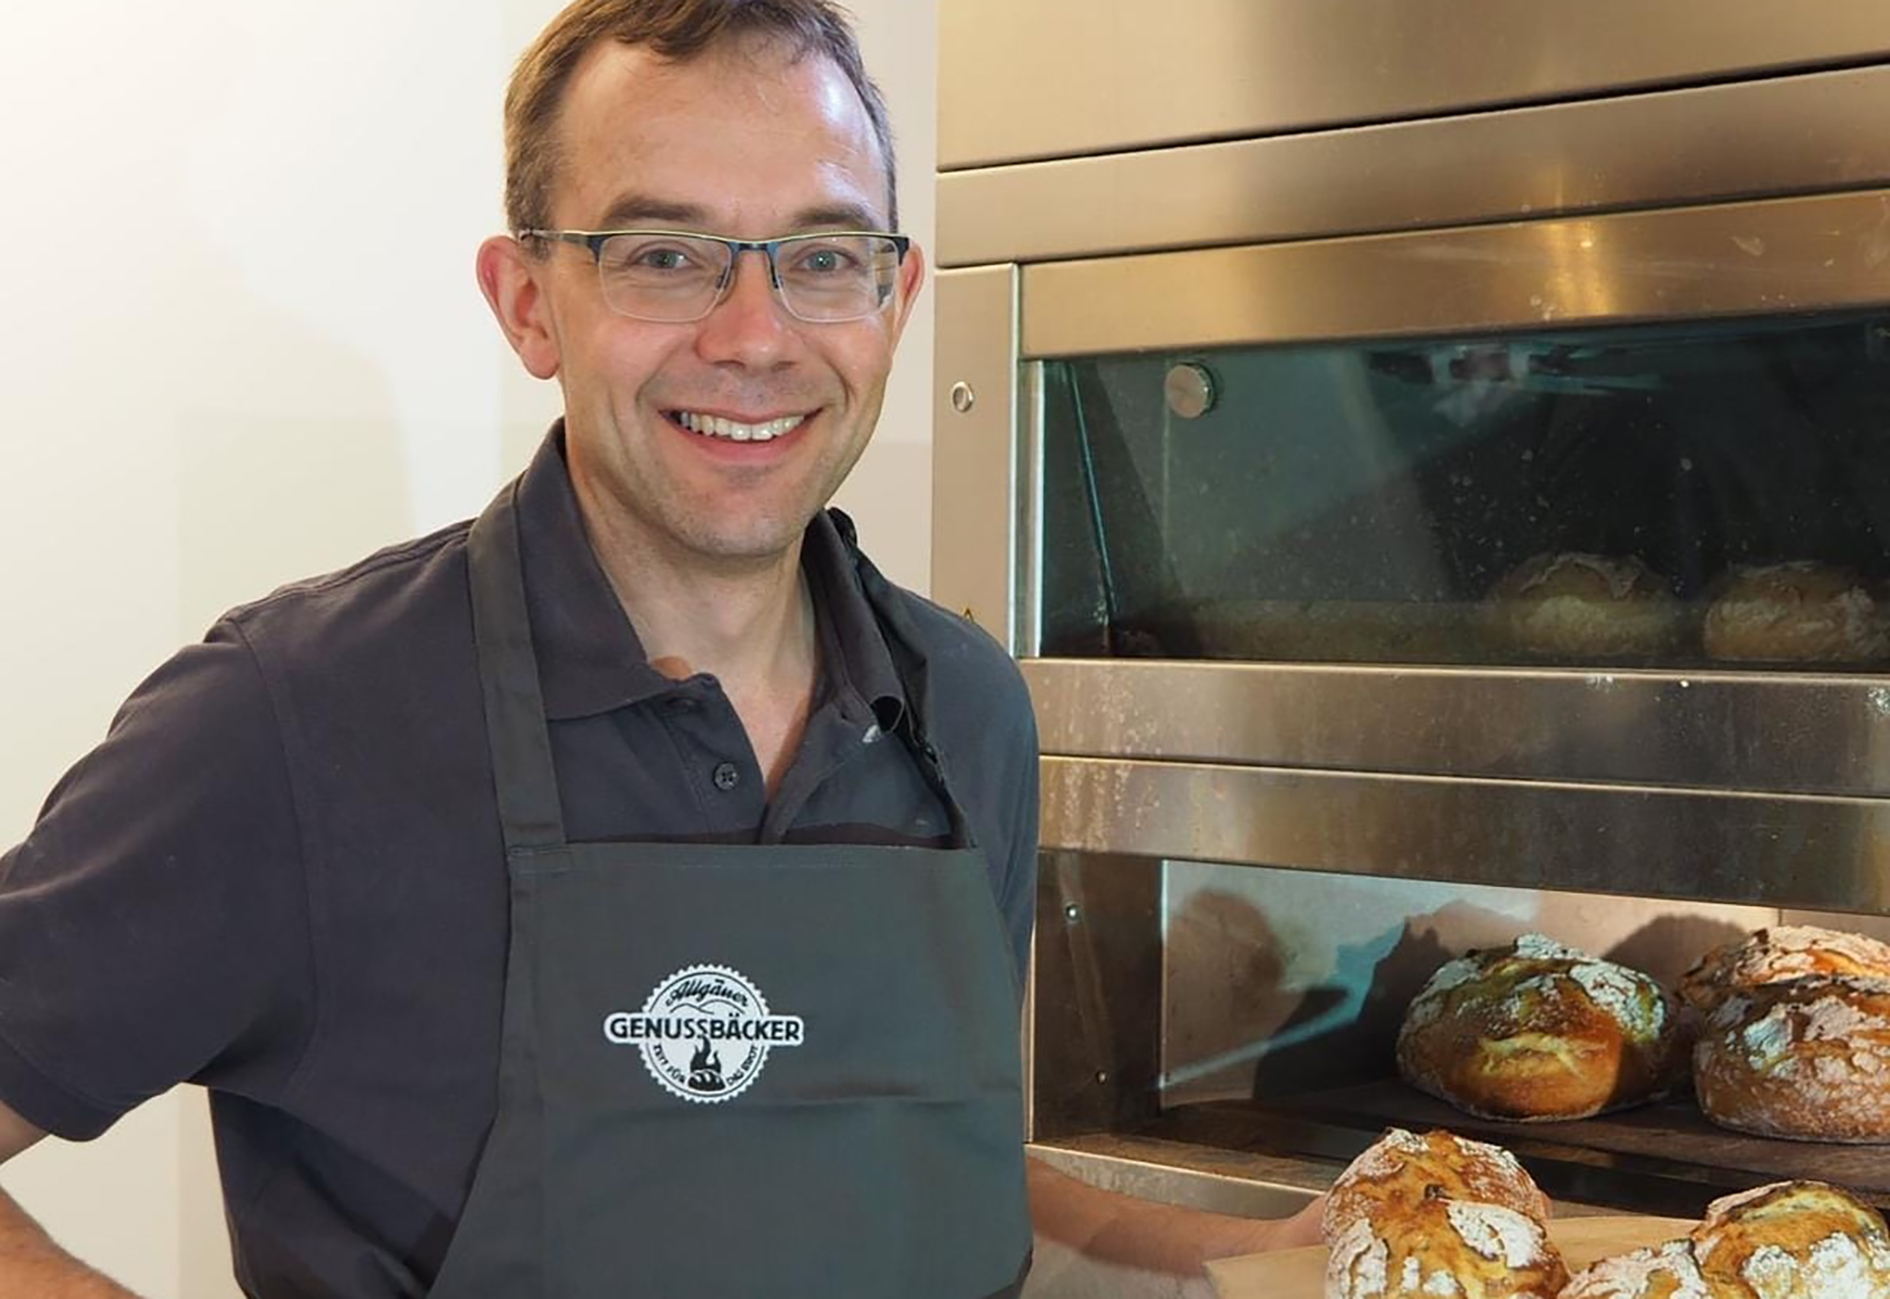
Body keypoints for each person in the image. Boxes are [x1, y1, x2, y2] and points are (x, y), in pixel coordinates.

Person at [0, 2, 1320, 1295]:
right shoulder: (292, 722)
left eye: (819, 257)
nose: (752, 335)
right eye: (663, 256)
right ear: (527, 302)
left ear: (897, 298)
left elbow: (908, 1170)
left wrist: (1269, 1265)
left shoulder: (962, 711)